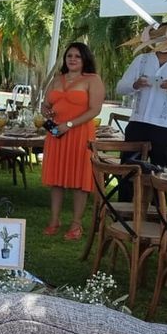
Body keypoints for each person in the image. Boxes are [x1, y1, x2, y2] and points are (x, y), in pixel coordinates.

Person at [39, 42, 105, 240]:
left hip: (79, 133)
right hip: (56, 133)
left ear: (85, 59)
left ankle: (76, 224)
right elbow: (45, 103)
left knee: (78, 180)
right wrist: (46, 111)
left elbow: (95, 109)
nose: (73, 59)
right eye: (69, 56)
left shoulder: (92, 79)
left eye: (77, 56)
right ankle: (54, 220)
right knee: (56, 180)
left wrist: (69, 124)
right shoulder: (58, 79)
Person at [115, 34, 167, 168]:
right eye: (161, 37)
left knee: (160, 174)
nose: (165, 40)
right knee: (129, 171)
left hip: (166, 128)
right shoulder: (141, 60)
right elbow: (120, 88)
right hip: (137, 124)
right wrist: (135, 85)